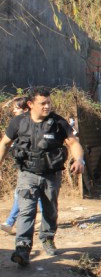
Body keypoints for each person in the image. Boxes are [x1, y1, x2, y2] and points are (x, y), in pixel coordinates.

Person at [0, 86, 85, 266]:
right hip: (27, 174)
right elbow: (5, 143)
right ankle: (22, 248)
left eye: (49, 103)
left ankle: (47, 237)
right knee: (26, 210)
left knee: (50, 209)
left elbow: (73, 143)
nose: (47, 106)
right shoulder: (19, 122)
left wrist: (79, 160)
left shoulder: (58, 123)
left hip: (51, 176)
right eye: (43, 103)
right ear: (31, 104)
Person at [1, 96, 43, 234]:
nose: (13, 111)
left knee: (27, 195)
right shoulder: (18, 124)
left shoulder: (34, 125)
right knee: (25, 194)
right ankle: (11, 222)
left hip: (35, 168)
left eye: (16, 108)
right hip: (25, 167)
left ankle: (11, 222)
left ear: (26, 109)